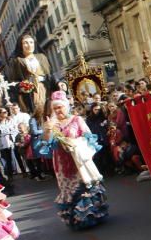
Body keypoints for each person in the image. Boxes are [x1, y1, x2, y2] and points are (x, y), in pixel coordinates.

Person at [35, 91, 108, 230]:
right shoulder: (51, 123)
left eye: (60, 107)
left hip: (79, 160)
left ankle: (91, 215)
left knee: (84, 186)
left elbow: (89, 137)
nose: (57, 110)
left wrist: (75, 142)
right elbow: (45, 145)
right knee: (68, 189)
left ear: (66, 107)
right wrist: (48, 130)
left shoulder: (77, 120)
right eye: (55, 108)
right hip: (62, 163)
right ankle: (76, 218)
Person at [5, 33, 53, 116]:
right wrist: (22, 86)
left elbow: (49, 75)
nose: (29, 45)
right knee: (36, 113)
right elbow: (13, 81)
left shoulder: (42, 57)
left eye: (31, 42)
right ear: (21, 45)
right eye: (25, 43)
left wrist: (59, 83)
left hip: (45, 89)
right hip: (29, 93)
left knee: (49, 111)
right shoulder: (17, 61)